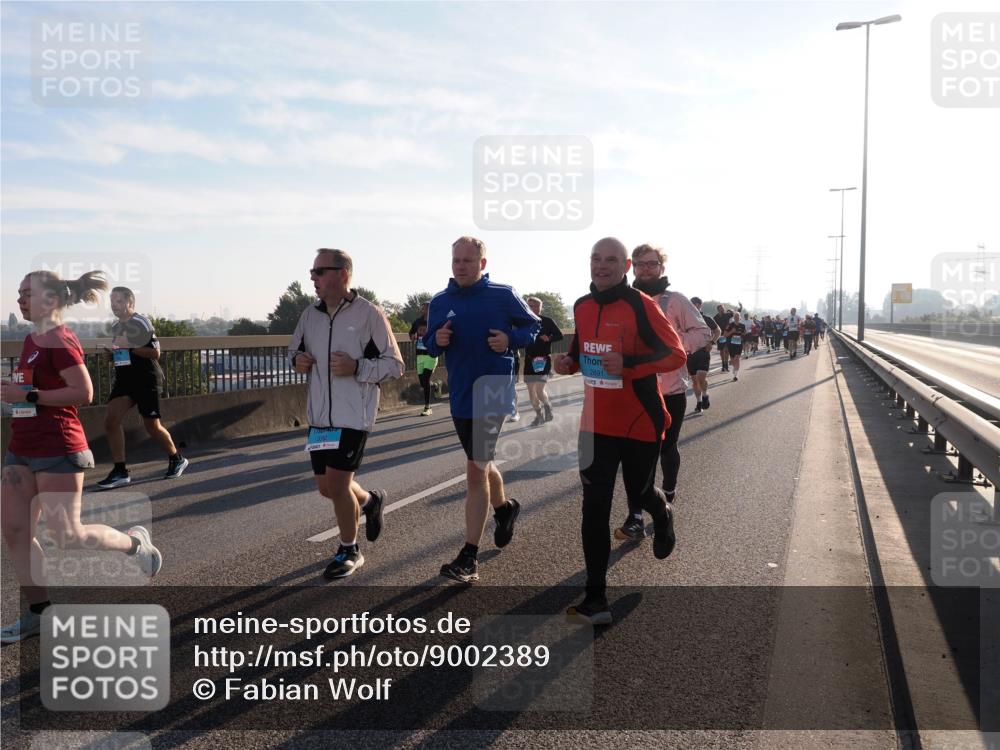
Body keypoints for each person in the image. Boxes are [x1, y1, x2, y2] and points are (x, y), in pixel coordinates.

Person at [1, 270, 161, 643]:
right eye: (19, 293)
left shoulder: (60, 338)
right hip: (21, 447)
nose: (20, 300)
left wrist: (29, 396)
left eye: (28, 293)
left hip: (58, 448)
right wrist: (19, 390)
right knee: (14, 529)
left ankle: (135, 545)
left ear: (52, 300)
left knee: (67, 536)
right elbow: (35, 389)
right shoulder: (31, 339)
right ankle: (39, 614)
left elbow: (83, 391)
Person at [554, 237, 686, 625]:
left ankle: (662, 513)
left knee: (640, 492)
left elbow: (675, 354)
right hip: (596, 422)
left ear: (625, 265)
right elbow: (582, 352)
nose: (601, 265)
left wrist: (626, 363)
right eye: (596, 258)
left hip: (639, 419)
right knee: (594, 507)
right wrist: (569, 363)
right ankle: (595, 599)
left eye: (611, 260)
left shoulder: (640, 305)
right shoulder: (582, 305)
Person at [424, 236, 540, 583]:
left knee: (475, 471)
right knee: (482, 463)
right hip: (460, 392)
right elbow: (427, 340)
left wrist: (510, 340)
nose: (460, 266)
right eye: (456, 260)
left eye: (468, 261)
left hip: (492, 392)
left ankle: (468, 557)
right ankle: (505, 510)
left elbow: (533, 326)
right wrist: (436, 341)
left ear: (482, 264)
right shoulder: (440, 301)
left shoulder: (503, 295)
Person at [290, 248, 404, 579]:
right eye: (311, 272)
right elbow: (293, 350)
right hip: (320, 418)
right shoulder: (309, 315)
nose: (312, 278)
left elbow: (395, 365)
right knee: (327, 488)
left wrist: (357, 368)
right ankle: (369, 501)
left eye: (319, 272)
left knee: (339, 485)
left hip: (353, 416)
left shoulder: (370, 314)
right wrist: (296, 360)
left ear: (342, 274)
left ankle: (349, 549)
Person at [615, 243, 710, 542]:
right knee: (635, 458)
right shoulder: (624, 300)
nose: (645, 269)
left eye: (651, 263)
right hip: (632, 391)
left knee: (665, 450)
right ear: (632, 267)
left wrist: (670, 346)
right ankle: (635, 517)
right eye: (640, 264)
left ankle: (668, 492)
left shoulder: (676, 300)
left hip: (669, 391)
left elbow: (704, 332)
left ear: (661, 267)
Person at [96, 287, 188, 490]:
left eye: (118, 301)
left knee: (152, 426)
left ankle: (176, 458)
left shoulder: (140, 322)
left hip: (147, 379)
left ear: (130, 303)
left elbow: (155, 353)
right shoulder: (115, 327)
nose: (114, 305)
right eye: (112, 301)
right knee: (111, 421)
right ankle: (120, 471)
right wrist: (113, 355)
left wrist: (130, 347)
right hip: (125, 380)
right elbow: (126, 352)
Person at [522, 296, 563, 427]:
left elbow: (559, 335)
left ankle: (547, 406)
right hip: (529, 359)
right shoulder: (524, 321)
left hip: (543, 359)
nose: (533, 308)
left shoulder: (547, 321)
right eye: (530, 305)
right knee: (531, 391)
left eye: (536, 306)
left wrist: (549, 338)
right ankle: (539, 416)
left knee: (539, 389)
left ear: (540, 307)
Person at [689, 296, 719, 412]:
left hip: (703, 351)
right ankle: (699, 402)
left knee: (701, 377)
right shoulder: (685, 319)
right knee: (695, 380)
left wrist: (712, 342)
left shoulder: (707, 318)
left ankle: (705, 395)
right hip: (690, 352)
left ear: (699, 305)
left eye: (693, 304)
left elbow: (718, 331)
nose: (690, 306)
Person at [410, 304, 438, 416]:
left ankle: (427, 407)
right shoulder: (417, 322)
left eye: (427, 307)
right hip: (420, 355)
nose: (425, 309)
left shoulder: (435, 321)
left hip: (431, 355)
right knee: (423, 383)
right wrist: (412, 336)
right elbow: (411, 332)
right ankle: (435, 385)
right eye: (424, 308)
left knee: (425, 380)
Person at [723, 315, 746, 381]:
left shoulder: (742, 325)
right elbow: (725, 335)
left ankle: (735, 375)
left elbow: (744, 333)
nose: (737, 318)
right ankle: (734, 367)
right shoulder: (730, 325)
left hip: (739, 344)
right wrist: (731, 332)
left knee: (737, 358)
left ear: (740, 318)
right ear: (734, 318)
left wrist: (744, 333)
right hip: (731, 344)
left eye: (738, 317)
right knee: (733, 359)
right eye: (735, 317)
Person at [713, 305, 734, 372]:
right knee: (722, 351)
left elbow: (735, 313)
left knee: (726, 350)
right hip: (720, 336)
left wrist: (739, 307)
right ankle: (723, 365)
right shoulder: (715, 317)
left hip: (727, 334)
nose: (722, 309)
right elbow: (713, 327)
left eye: (723, 308)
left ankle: (726, 366)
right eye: (721, 308)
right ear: (718, 309)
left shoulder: (727, 315)